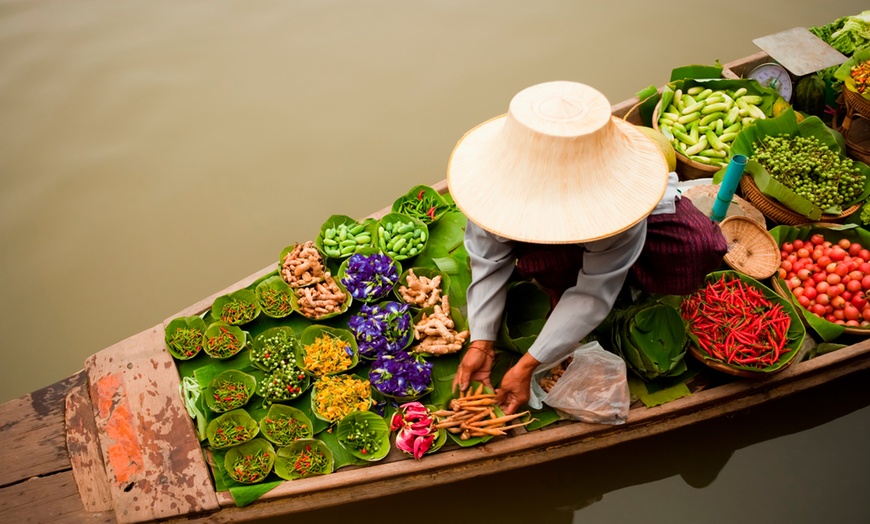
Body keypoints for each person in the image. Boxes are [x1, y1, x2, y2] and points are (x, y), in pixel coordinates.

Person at [446, 80, 675, 415]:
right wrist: (482, 340)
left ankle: (624, 278)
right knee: (544, 263)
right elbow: (488, 260)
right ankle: (556, 287)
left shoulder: (615, 207)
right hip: (554, 234)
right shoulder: (495, 191)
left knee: (693, 249)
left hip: (613, 227)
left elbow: (594, 293)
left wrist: (526, 365)